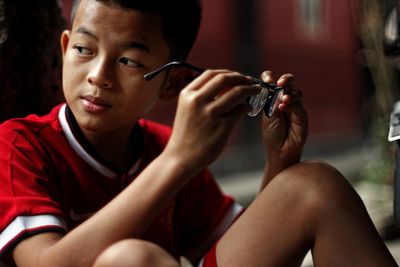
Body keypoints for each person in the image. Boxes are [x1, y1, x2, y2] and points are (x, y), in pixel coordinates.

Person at [0, 0, 397, 266]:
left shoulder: (158, 147)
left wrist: (280, 160)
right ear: (65, 47)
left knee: (314, 185)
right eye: (84, 50)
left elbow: (253, 249)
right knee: (131, 260)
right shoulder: (19, 143)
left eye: (127, 60)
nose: (98, 76)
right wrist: (179, 160)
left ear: (172, 83)